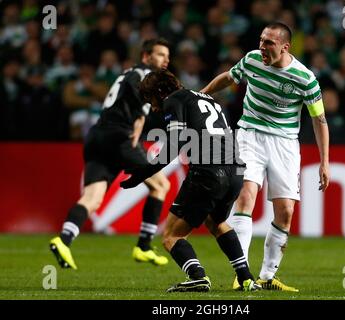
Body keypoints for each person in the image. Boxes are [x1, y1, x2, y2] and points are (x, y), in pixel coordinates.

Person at [201, 22, 330, 292]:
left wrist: (324, 162)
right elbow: (229, 77)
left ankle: (268, 277)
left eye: (269, 42)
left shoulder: (305, 78)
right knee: (246, 195)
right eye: (261, 40)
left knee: (285, 212)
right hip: (249, 135)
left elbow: (319, 119)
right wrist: (202, 94)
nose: (262, 46)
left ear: (285, 47)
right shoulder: (251, 60)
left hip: (284, 144)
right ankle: (242, 273)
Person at [121, 69, 261, 292]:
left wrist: (143, 173)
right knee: (216, 223)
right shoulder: (205, 98)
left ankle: (197, 276)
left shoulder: (173, 100)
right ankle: (246, 278)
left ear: (159, 91)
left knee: (171, 236)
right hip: (235, 171)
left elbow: (175, 143)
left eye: (151, 100)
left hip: (208, 172)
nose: (153, 107)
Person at [49, 38, 172, 269]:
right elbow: (139, 98)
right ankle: (144, 246)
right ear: (146, 57)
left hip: (97, 136)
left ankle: (64, 240)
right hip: (118, 137)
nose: (166, 59)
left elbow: (135, 104)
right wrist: (143, 117)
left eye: (167, 55)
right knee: (161, 185)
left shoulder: (129, 74)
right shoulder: (142, 73)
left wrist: (140, 118)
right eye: (160, 54)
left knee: (92, 198)